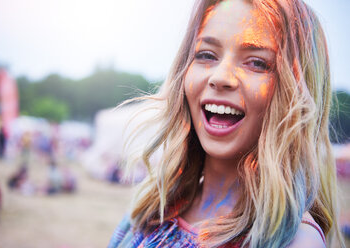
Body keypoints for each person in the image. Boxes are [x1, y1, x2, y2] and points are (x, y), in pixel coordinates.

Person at [108, 0, 344, 247]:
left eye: (257, 63)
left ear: (296, 90)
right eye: (206, 55)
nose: (220, 77)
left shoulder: (295, 241)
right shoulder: (153, 207)